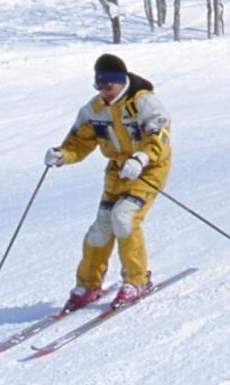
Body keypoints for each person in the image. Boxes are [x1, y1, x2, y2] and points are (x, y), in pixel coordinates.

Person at [44, 53, 172, 310]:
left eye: (109, 87)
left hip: (148, 169)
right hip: (116, 172)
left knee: (123, 218)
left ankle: (137, 280)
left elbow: (160, 137)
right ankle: (89, 285)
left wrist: (142, 158)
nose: (105, 93)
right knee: (101, 227)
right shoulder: (95, 110)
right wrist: (61, 155)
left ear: (121, 81)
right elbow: (78, 143)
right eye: (99, 87)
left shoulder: (144, 103)